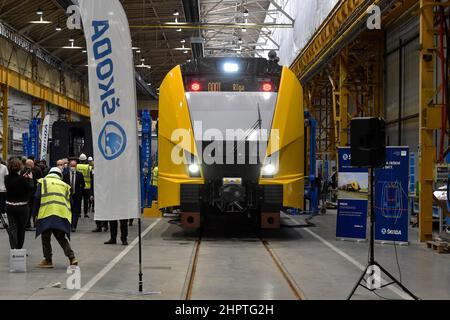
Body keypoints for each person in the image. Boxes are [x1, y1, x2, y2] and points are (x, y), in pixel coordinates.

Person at [33, 167, 78, 268]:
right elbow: (71, 202)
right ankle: (72, 258)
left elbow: (37, 197)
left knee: (45, 237)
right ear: (59, 176)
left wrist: (35, 214)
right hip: (61, 214)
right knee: (61, 238)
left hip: (47, 213)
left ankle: (48, 260)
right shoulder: (65, 185)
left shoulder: (43, 182)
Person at [5, 158, 34, 249]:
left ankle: (13, 248)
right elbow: (30, 188)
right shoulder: (22, 179)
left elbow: (15, 182)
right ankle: (19, 249)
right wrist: (30, 179)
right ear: (20, 167)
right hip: (22, 207)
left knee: (12, 228)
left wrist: (23, 178)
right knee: (21, 229)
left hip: (10, 206)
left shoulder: (6, 178)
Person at [63, 160, 85, 232]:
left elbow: (83, 185)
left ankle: (74, 226)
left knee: (75, 211)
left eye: (74, 166)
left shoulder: (79, 174)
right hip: (68, 196)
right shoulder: (65, 174)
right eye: (71, 166)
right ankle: (69, 225)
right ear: (69, 166)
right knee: (69, 211)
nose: (72, 167)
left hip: (77, 196)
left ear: (76, 166)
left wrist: (79, 192)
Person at [23, 159, 42, 230]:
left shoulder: (24, 170)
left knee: (30, 208)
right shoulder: (37, 169)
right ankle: (34, 223)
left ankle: (29, 223)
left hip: (28, 192)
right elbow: (41, 180)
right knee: (35, 208)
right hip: (34, 192)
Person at [77, 154, 92, 218]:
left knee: (79, 200)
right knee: (86, 200)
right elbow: (91, 176)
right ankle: (85, 213)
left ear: (79, 160)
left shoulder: (77, 166)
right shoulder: (88, 167)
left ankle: (79, 213)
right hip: (87, 186)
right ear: (85, 160)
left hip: (79, 186)